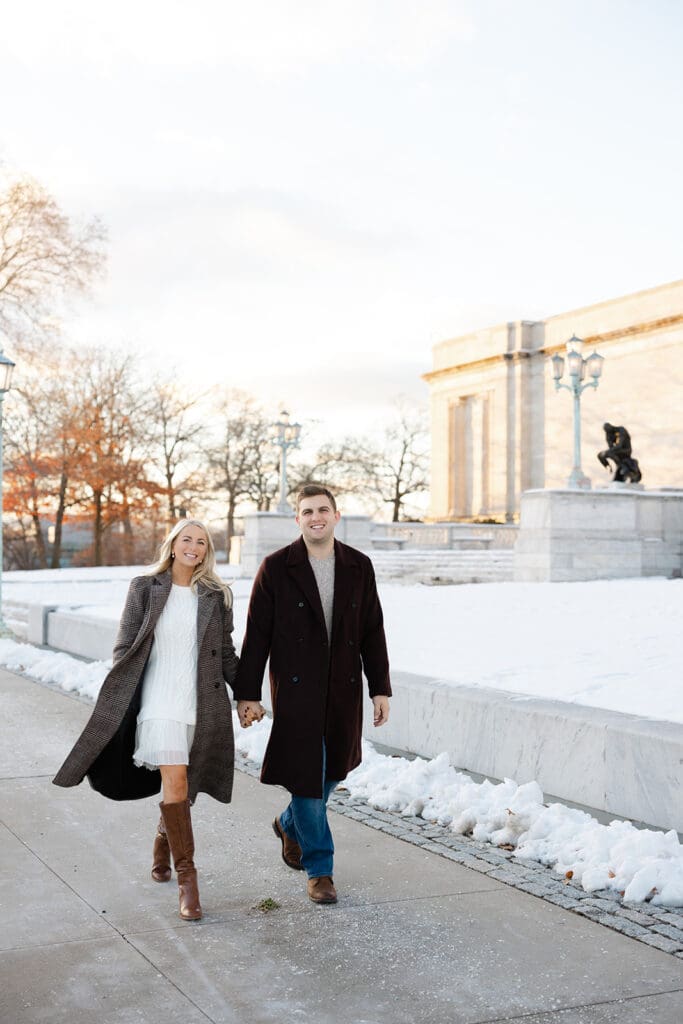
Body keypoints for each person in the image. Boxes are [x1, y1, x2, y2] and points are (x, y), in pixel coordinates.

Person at [53, 519, 239, 922]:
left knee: (184, 786)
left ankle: (162, 838)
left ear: (207, 552)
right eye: (186, 539)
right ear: (172, 545)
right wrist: (124, 693)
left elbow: (225, 653)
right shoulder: (145, 587)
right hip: (158, 700)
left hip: (200, 703)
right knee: (175, 780)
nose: (194, 547)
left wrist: (248, 695)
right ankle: (189, 882)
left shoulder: (216, 595)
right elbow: (124, 645)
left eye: (202, 542)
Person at [234, 484, 391, 905]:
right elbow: (256, 636)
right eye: (307, 511)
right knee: (306, 779)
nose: (316, 517)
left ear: (336, 516)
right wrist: (247, 693)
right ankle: (320, 869)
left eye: (323, 509)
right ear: (297, 519)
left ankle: (289, 823)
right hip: (296, 692)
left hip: (343, 689)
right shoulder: (275, 567)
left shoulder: (359, 566)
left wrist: (380, 688)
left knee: (333, 773)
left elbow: (372, 630)